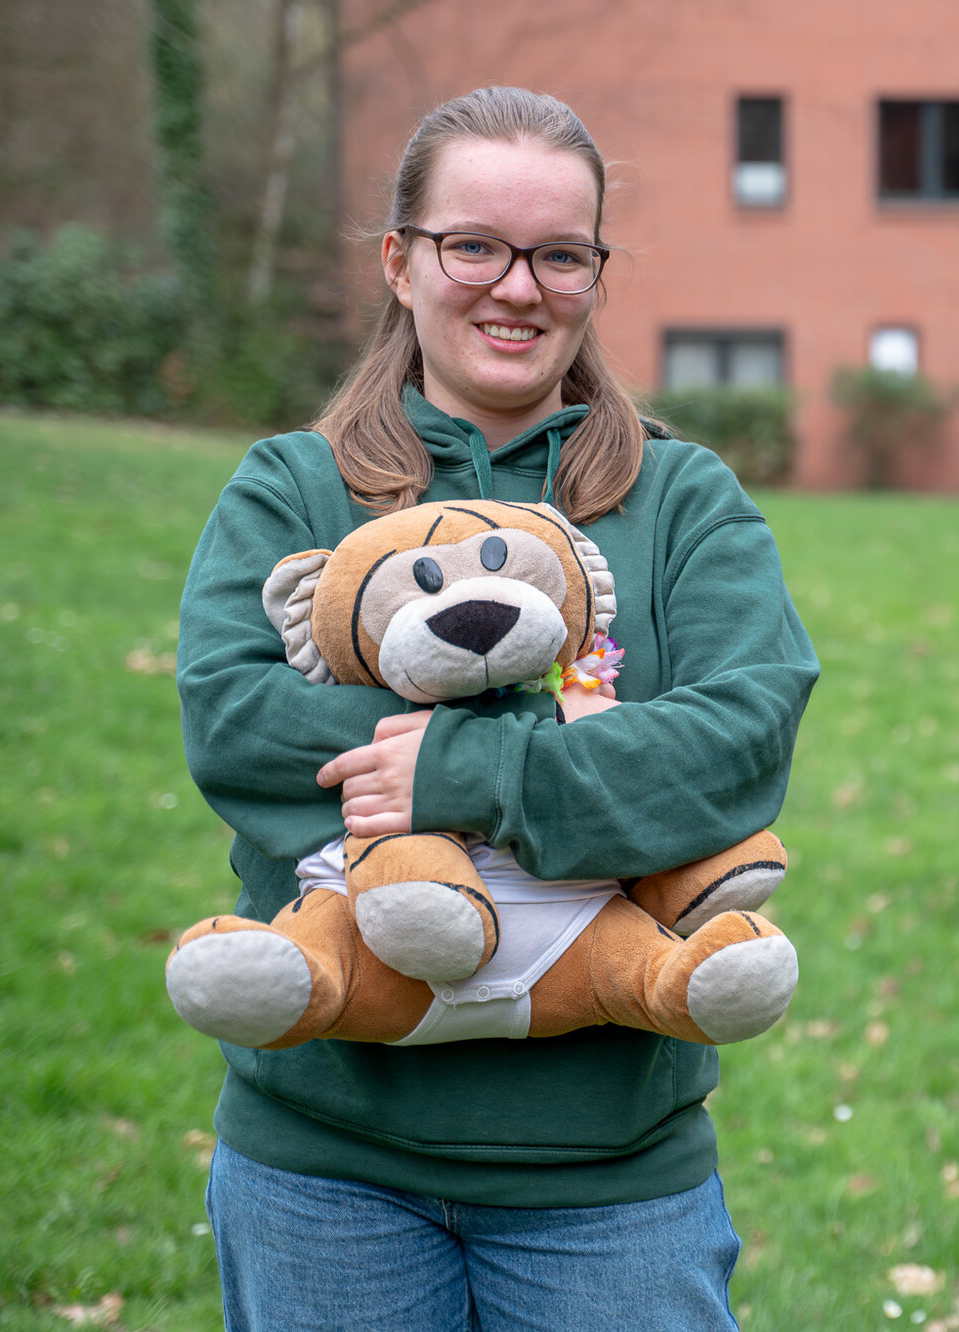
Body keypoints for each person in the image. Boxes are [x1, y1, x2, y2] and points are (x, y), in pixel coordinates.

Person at [175, 86, 817, 1331]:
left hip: (610, 1189)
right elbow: (238, 725)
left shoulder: (683, 500)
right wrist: (584, 763)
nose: (516, 287)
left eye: (558, 254)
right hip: (325, 1172)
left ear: (594, 274)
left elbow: (739, 741)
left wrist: (463, 776)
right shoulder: (294, 491)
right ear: (399, 261)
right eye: (473, 244)